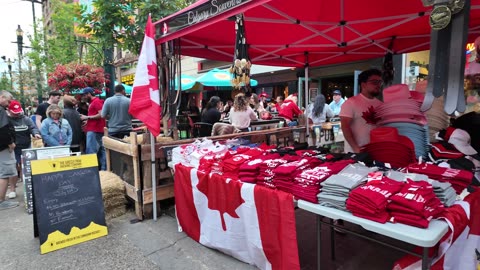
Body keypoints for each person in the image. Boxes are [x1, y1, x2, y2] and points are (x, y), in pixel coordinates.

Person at [340, 68, 383, 153]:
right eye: (374, 82)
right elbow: (345, 127)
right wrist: (356, 148)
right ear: (363, 84)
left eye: (380, 82)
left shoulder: (380, 105)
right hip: (356, 153)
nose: (378, 85)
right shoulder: (351, 103)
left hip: (376, 151)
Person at [7, 100, 41, 199]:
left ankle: (27, 189)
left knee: (24, 167)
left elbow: (32, 127)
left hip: (26, 146)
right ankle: (12, 189)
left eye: (18, 112)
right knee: (13, 168)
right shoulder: (6, 120)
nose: (17, 114)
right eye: (14, 112)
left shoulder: (26, 119)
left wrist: (36, 133)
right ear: (9, 111)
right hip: (12, 148)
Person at [0, 91, 19, 210]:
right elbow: (3, 128)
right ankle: (1, 201)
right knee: (4, 174)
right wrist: (10, 143)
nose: (8, 104)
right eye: (8, 101)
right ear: (2, 97)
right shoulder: (1, 110)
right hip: (3, 147)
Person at [80, 87, 106, 170]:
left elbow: (101, 114)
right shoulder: (93, 102)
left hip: (95, 130)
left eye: (84, 95)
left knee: (91, 152)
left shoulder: (96, 102)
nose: (83, 97)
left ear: (89, 94)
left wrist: (87, 117)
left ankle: (92, 172)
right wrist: (88, 121)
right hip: (96, 129)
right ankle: (103, 170)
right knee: (101, 151)